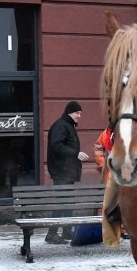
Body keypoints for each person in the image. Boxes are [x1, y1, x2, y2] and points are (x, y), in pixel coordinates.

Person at [45, 101, 89, 244]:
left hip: (66, 172)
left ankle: (66, 230)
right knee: (61, 202)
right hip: (61, 172)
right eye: (77, 113)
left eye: (81, 113)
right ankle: (52, 233)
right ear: (69, 112)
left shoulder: (68, 126)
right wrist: (75, 153)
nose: (80, 116)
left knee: (67, 201)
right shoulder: (61, 125)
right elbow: (56, 146)